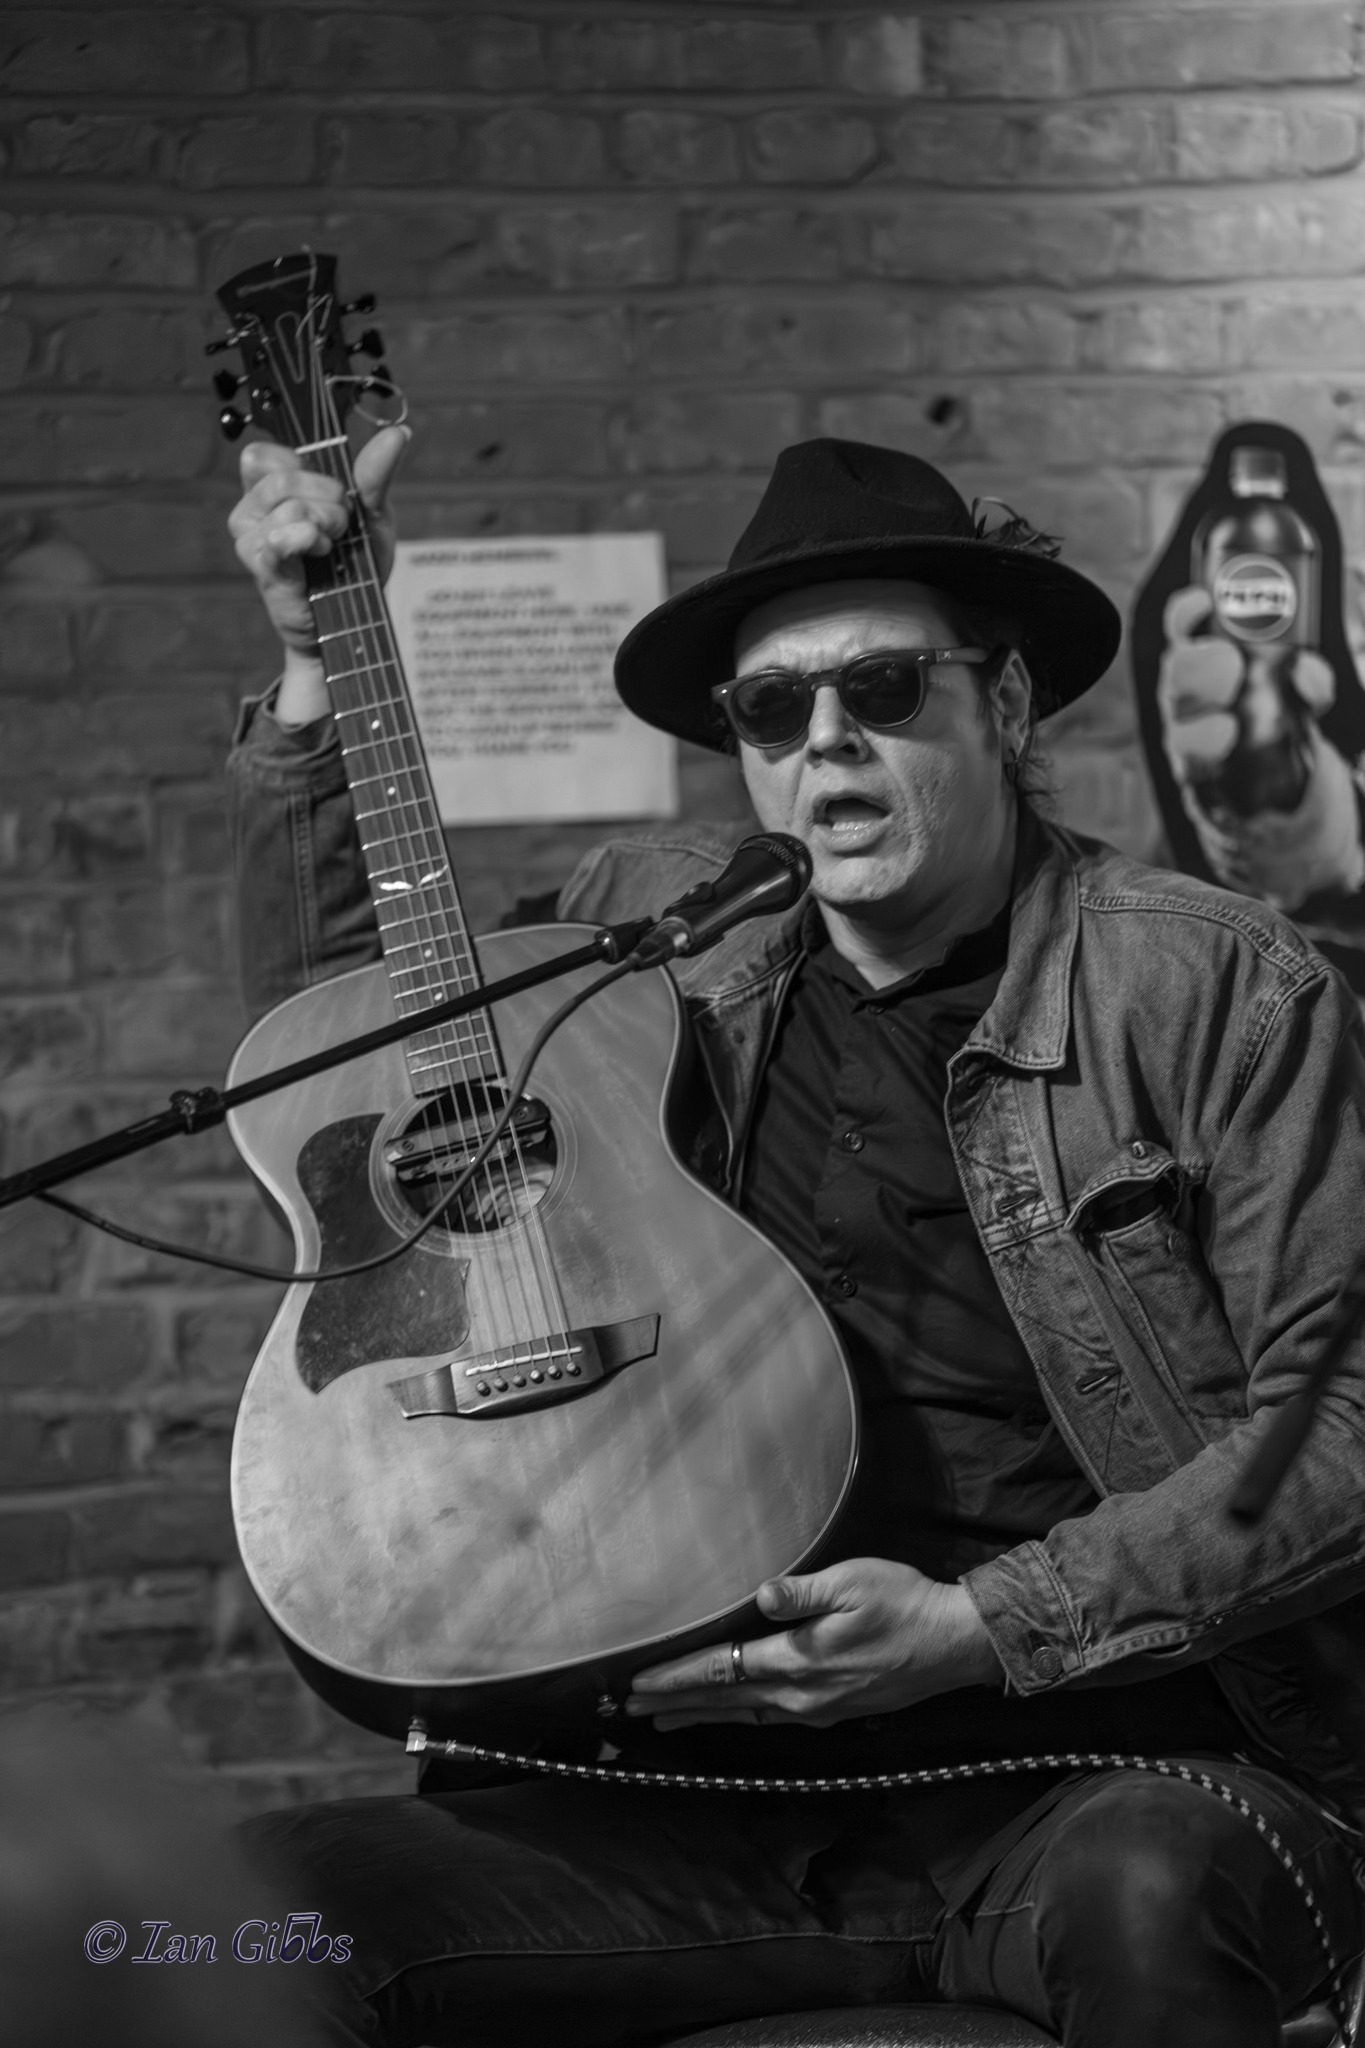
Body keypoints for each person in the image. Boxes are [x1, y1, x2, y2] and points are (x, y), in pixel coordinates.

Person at [224, 429, 1365, 2048]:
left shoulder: (1208, 985)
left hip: (1078, 1769)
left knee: (1149, 1890)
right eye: (771, 710)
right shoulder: (657, 945)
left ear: (1006, 704)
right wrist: (310, 667)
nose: (826, 743)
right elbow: (345, 1057)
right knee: (234, 1926)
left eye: (883, 690)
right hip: (659, 1799)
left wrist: (980, 1628)